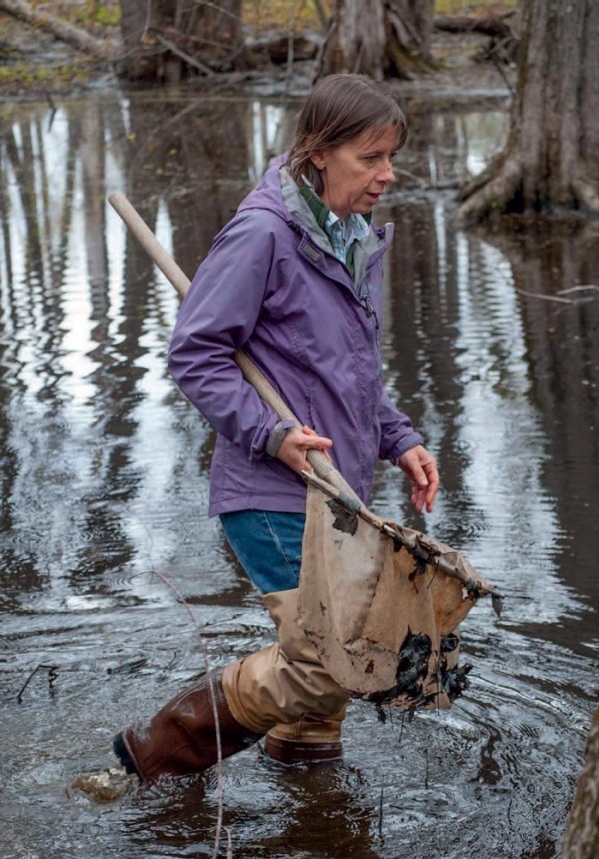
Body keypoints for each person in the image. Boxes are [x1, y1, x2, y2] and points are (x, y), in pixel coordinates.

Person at [113, 73, 439, 783]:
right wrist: (272, 434)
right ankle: (157, 749)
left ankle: (306, 775)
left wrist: (401, 437)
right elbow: (194, 354)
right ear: (319, 151)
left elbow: (350, 374)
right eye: (370, 159)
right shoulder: (262, 234)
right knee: (332, 658)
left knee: (322, 679)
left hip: (338, 488)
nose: (387, 175)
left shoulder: (353, 239)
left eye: (392, 158)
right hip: (271, 491)